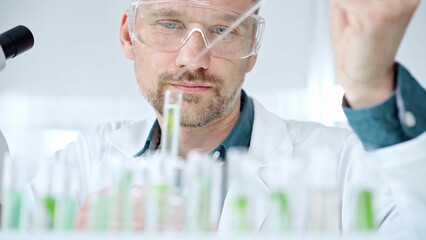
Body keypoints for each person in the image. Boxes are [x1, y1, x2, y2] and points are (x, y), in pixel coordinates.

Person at [31, 0, 425, 238]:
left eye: (224, 29)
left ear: (253, 48)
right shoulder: (83, 163)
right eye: (170, 24)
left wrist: (369, 84)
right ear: (128, 36)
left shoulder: (339, 165)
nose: (194, 59)